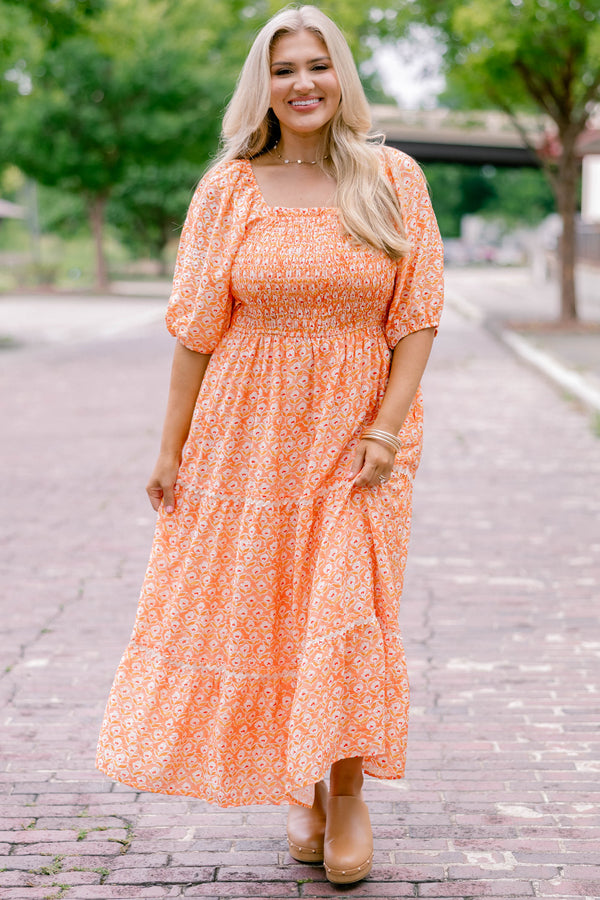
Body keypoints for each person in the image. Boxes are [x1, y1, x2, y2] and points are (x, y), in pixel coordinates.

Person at [96, 4, 443, 885]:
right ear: (264, 85)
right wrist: (170, 450)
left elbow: (416, 316)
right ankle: (303, 784)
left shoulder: (392, 177)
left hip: (359, 433)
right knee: (276, 610)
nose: (303, 83)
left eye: (317, 65)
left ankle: (348, 793)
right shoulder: (229, 188)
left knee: (348, 609)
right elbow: (197, 331)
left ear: (341, 76)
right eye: (283, 69)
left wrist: (386, 428)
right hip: (246, 433)